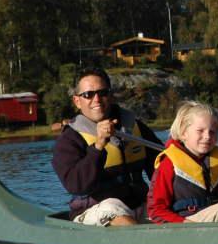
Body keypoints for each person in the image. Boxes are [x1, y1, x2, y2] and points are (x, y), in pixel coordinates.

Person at [52, 68, 162, 226]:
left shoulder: (134, 127)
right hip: (95, 209)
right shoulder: (69, 140)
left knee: (175, 211)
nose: (96, 99)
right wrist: (98, 146)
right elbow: (76, 185)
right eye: (88, 95)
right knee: (117, 213)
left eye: (102, 93)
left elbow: (162, 168)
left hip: (137, 204)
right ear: (77, 101)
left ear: (110, 96)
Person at [147, 101, 218, 223]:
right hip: (186, 224)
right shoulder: (168, 164)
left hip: (216, 217)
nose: (207, 136)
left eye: (212, 132)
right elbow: (155, 210)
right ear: (183, 133)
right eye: (200, 131)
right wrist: (184, 224)